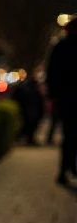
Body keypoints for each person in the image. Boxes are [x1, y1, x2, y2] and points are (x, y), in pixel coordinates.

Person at [45, 18, 77, 185]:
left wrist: (52, 96)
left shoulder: (60, 46)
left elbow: (51, 73)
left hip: (65, 98)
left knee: (69, 135)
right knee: (70, 135)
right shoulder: (61, 47)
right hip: (67, 98)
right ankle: (69, 166)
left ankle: (67, 167)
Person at [12, 78, 45, 145]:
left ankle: (25, 139)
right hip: (31, 111)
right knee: (29, 127)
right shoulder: (34, 90)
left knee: (25, 126)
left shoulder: (22, 89)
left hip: (25, 111)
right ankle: (29, 139)